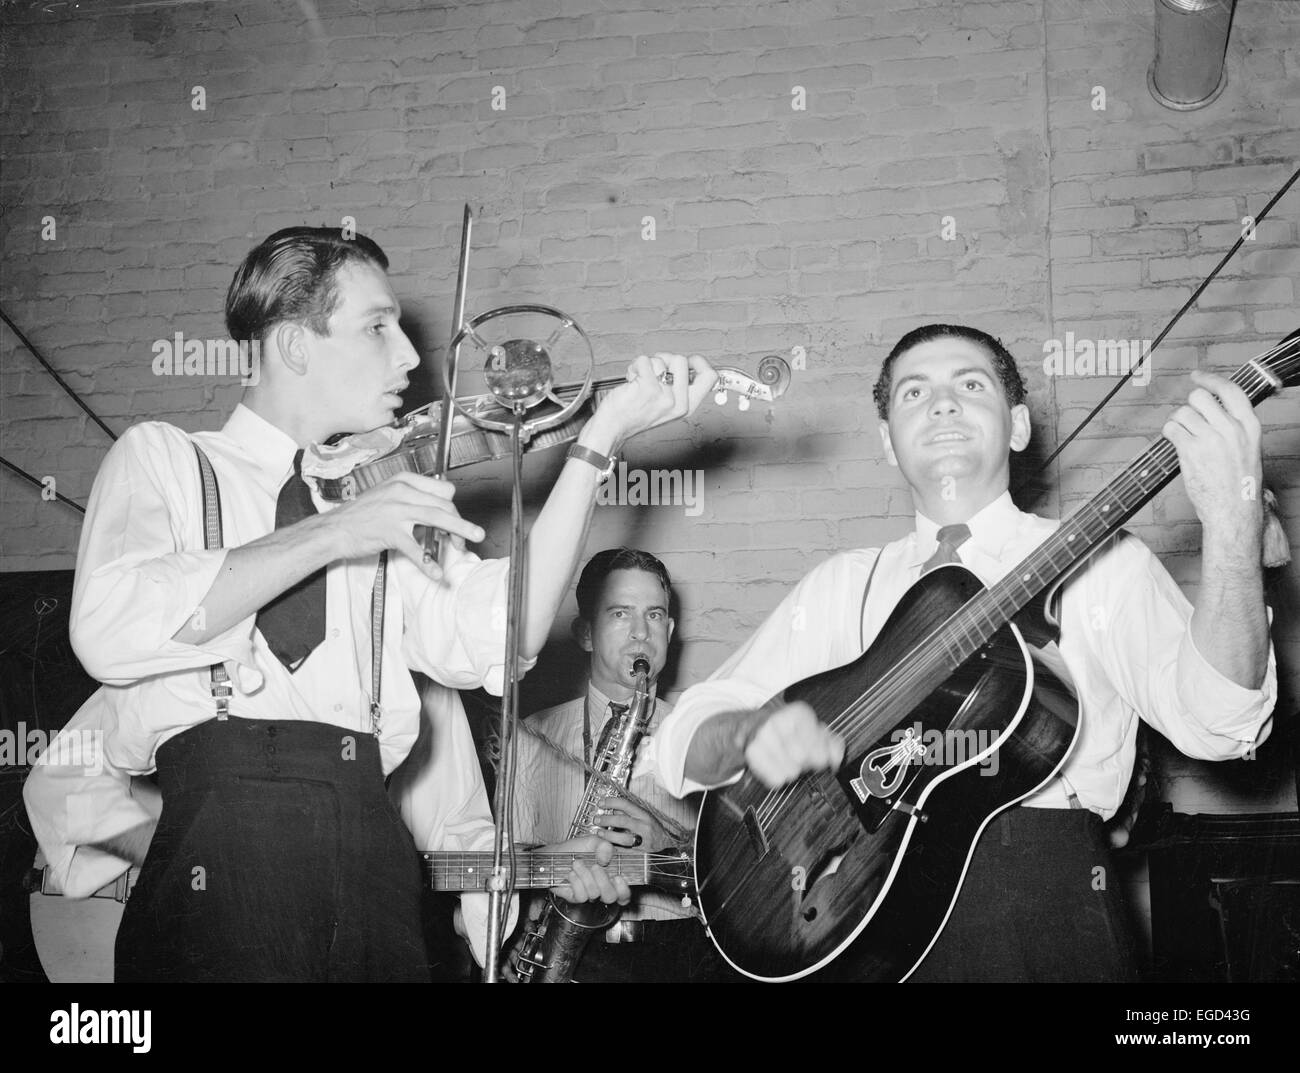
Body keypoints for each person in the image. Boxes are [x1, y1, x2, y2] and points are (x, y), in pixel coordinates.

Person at [23, 226, 718, 983]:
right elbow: (108, 626)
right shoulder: (166, 460)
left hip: (372, 864)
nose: (411, 356)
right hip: (218, 861)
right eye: (376, 327)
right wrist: (332, 533)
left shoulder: (383, 498)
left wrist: (598, 443)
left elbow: (505, 630)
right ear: (293, 345)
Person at [650, 323, 1277, 982]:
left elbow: (1222, 722)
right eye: (913, 392)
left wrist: (1233, 529)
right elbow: (678, 740)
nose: (942, 404)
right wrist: (749, 732)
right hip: (854, 916)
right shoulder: (840, 583)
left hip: (1041, 907)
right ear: (887, 441)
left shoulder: (1109, 563)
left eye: (970, 385)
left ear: (1018, 426)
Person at [502, 548, 731, 982]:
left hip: (683, 954)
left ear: (670, 630)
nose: (641, 633)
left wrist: (672, 846)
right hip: (569, 956)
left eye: (655, 615)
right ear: (585, 632)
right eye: (621, 614)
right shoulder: (530, 736)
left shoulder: (710, 737)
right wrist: (510, 935)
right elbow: (508, 859)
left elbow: (748, 874)